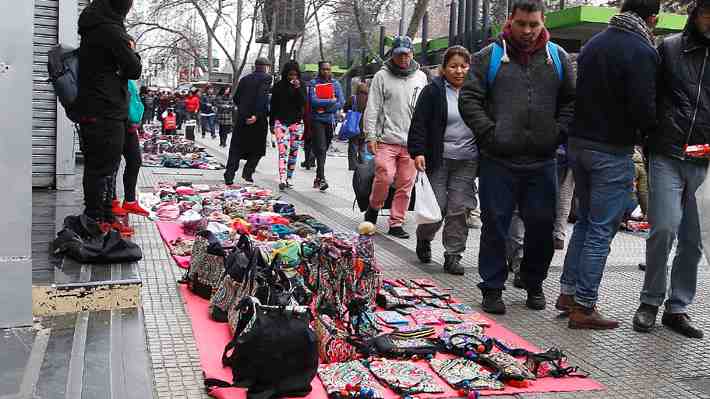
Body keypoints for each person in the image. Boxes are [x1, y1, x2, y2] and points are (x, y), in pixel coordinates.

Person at [459, 0, 575, 314]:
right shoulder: (489, 57)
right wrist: (489, 132)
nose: (526, 31)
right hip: (499, 160)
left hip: (542, 161)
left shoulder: (558, 58)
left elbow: (570, 102)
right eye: (521, 23)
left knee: (541, 227)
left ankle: (533, 282)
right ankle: (492, 288)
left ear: (542, 22)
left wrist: (557, 132)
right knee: (495, 224)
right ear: (511, 21)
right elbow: (469, 99)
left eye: (533, 24)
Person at [559, 0, 659, 329]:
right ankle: (584, 306)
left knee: (585, 223)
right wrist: (650, 137)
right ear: (652, 17)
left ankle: (568, 293)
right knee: (601, 229)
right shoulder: (642, 51)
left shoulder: (594, 44)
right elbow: (644, 107)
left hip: (579, 145)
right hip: (612, 150)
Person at [632, 0, 710, 339]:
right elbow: (649, 94)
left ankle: (677, 307)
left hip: (705, 160)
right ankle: (650, 300)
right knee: (663, 228)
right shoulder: (669, 48)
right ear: (695, 15)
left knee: (693, 240)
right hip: (668, 152)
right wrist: (651, 133)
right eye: (708, 13)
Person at [408, 46, 477, 275]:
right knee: (436, 207)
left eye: (464, 66)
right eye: (453, 66)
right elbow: (419, 124)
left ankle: (453, 255)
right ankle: (424, 237)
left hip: (467, 160)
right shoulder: (432, 91)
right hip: (438, 159)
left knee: (459, 209)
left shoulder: (477, 91)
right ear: (444, 69)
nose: (459, 71)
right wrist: (418, 152)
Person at [74, 0, 141, 231]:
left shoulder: (94, 25)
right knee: (103, 167)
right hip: (106, 108)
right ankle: (96, 219)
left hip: (96, 107)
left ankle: (101, 216)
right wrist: (131, 56)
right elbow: (133, 68)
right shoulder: (110, 29)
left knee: (99, 166)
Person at [363, 36, 428, 239]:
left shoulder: (421, 77)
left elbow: (425, 109)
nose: (403, 58)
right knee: (384, 176)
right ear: (393, 54)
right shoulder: (382, 77)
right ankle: (373, 207)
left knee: (406, 182)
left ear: (412, 54)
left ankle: (396, 222)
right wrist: (370, 135)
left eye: (406, 54)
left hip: (411, 143)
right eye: (399, 54)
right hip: (386, 140)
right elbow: (372, 107)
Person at [224, 57, 273, 185]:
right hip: (258, 120)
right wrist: (256, 115)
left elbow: (236, 98)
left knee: (236, 148)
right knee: (258, 149)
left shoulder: (244, 79)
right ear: (266, 67)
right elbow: (261, 97)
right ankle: (248, 171)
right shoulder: (267, 78)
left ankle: (229, 175)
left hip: (242, 118)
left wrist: (243, 111)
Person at [308, 61, 345, 191]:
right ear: (319, 70)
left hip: (330, 120)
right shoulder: (314, 83)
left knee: (324, 148)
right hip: (317, 120)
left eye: (328, 69)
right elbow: (313, 101)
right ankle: (322, 178)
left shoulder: (336, 84)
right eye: (324, 69)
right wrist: (330, 101)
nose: (326, 72)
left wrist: (326, 108)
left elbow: (341, 102)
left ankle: (318, 177)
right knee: (322, 148)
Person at [271, 60, 307, 190]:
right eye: (290, 74)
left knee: (294, 152)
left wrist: (297, 88)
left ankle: (289, 177)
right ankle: (282, 178)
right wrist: (271, 124)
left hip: (296, 123)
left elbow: (304, 102)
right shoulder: (278, 86)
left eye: (295, 75)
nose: (293, 77)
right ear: (285, 74)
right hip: (281, 122)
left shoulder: (301, 85)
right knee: (282, 151)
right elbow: (273, 106)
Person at [344, 81, 369, 171]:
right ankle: (363, 166)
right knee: (362, 148)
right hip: (365, 126)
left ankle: (353, 166)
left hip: (353, 126)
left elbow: (345, 108)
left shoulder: (353, 98)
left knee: (353, 147)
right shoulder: (369, 99)